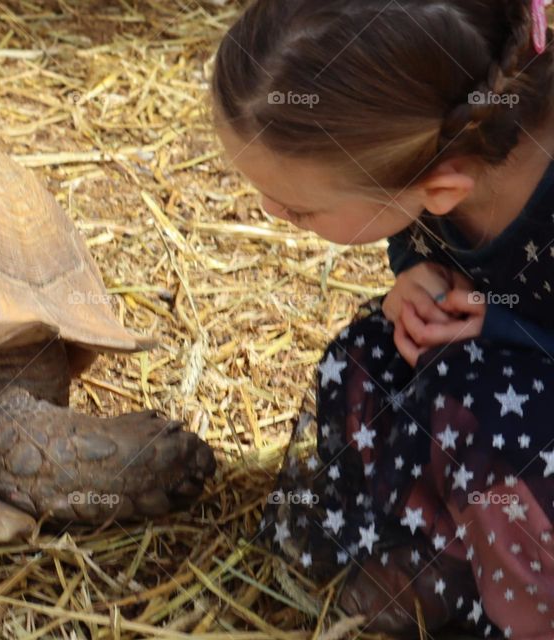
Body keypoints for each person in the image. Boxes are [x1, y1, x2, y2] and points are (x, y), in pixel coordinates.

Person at [212, 1, 554, 637]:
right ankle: (436, 563)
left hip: (527, 420)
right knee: (369, 357)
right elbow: (410, 233)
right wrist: (411, 279)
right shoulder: (438, 144)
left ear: (443, 188)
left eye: (299, 209)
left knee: (478, 406)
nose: (266, 209)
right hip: (492, 380)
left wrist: (508, 328)